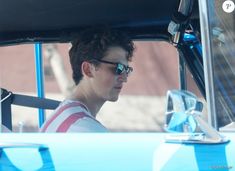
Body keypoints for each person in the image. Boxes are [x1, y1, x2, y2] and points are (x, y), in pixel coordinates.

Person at [40, 26, 134, 132]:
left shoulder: (63, 116)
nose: (125, 78)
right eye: (118, 68)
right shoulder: (87, 130)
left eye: (127, 69)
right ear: (88, 69)